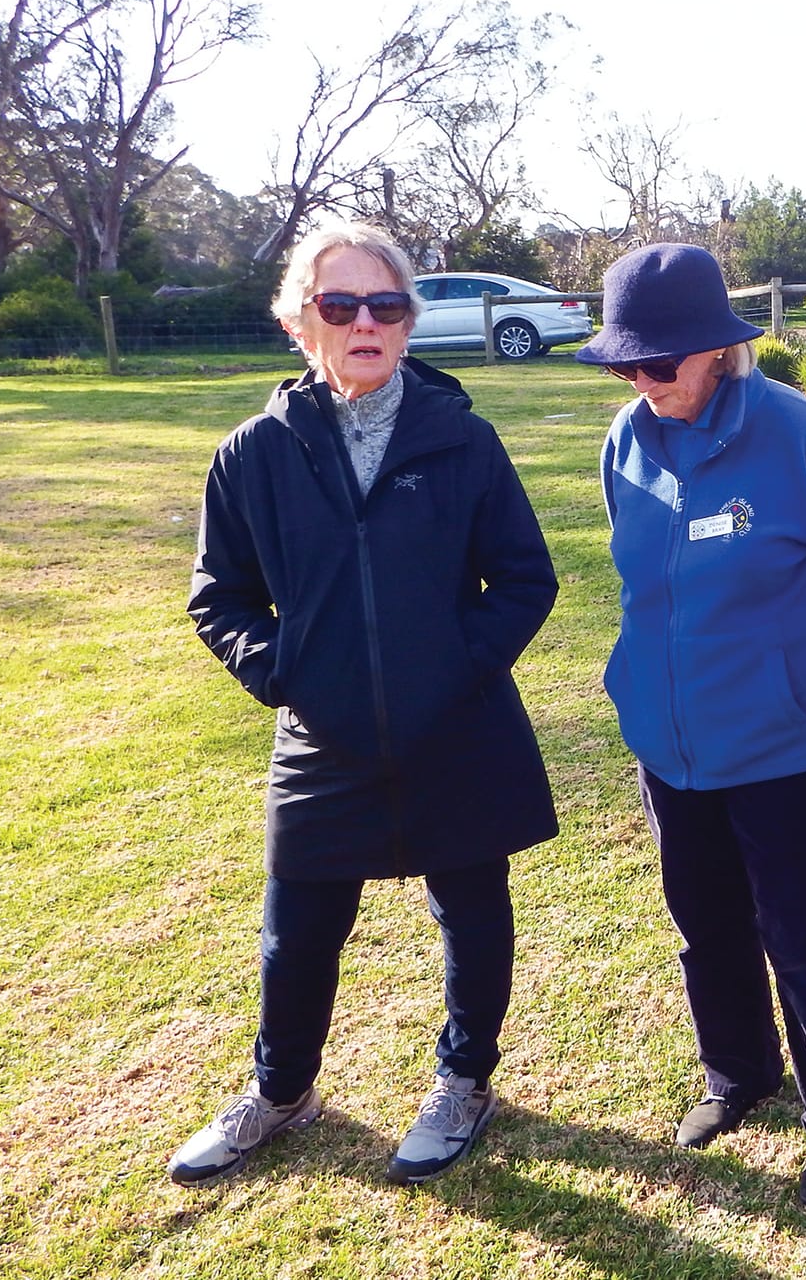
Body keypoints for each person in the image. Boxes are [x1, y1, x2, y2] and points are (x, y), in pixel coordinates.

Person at [174, 221, 559, 1188]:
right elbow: (219, 596)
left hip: (456, 732)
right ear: (301, 323)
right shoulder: (252, 454)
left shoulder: (462, 440)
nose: (365, 323)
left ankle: (466, 1080)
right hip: (323, 738)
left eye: (386, 307)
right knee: (295, 931)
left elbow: (523, 579)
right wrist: (288, 673)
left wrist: (457, 671)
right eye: (340, 305)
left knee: (473, 914)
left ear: (407, 323)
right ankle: (283, 1091)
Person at [577, 244, 806, 1209]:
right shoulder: (625, 442)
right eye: (624, 365)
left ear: (718, 351)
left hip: (787, 749)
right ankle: (739, 1074)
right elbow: (644, 586)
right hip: (669, 746)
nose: (641, 382)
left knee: (801, 935)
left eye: (659, 363)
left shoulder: (802, 438)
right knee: (704, 923)